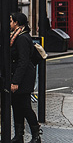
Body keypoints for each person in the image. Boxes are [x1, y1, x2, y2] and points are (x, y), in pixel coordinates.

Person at [10, 12, 42, 142]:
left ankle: (36, 135)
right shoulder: (16, 36)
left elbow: (23, 61)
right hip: (19, 77)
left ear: (17, 23)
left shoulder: (22, 38)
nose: (9, 23)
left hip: (24, 79)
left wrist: (16, 81)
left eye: (11, 21)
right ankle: (19, 136)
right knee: (16, 106)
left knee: (25, 107)